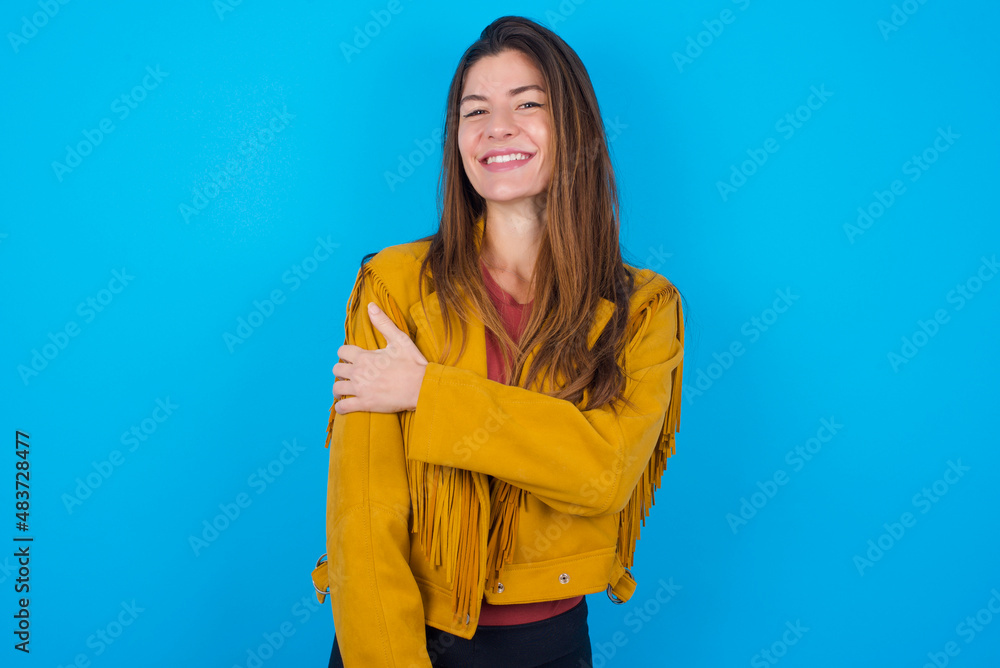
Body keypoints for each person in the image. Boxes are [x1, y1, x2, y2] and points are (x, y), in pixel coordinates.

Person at [311, 15, 685, 667]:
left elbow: (602, 474)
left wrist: (427, 391)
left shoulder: (644, 308)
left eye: (528, 104)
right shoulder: (391, 287)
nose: (497, 128)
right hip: (406, 639)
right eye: (474, 111)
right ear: (456, 139)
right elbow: (362, 523)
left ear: (576, 128)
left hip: (551, 646)